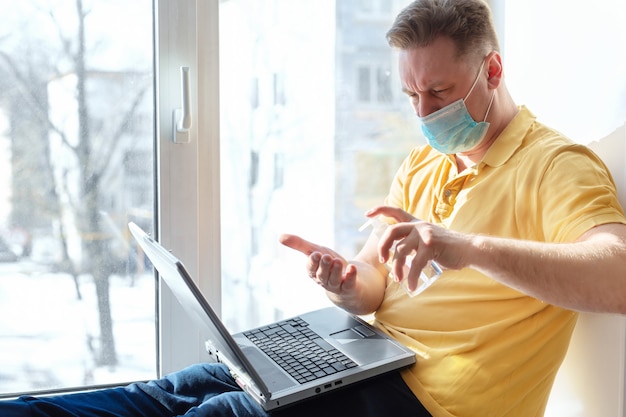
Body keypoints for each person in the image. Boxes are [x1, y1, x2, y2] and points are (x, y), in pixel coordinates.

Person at [1, 0, 625, 416]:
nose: (424, 111)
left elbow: (616, 275)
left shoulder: (556, 165)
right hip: (368, 355)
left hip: (432, 399)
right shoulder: (424, 164)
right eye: (410, 93)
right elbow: (374, 286)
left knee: (217, 413)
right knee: (169, 391)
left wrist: (465, 247)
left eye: (438, 91)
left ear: (492, 69)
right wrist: (347, 284)